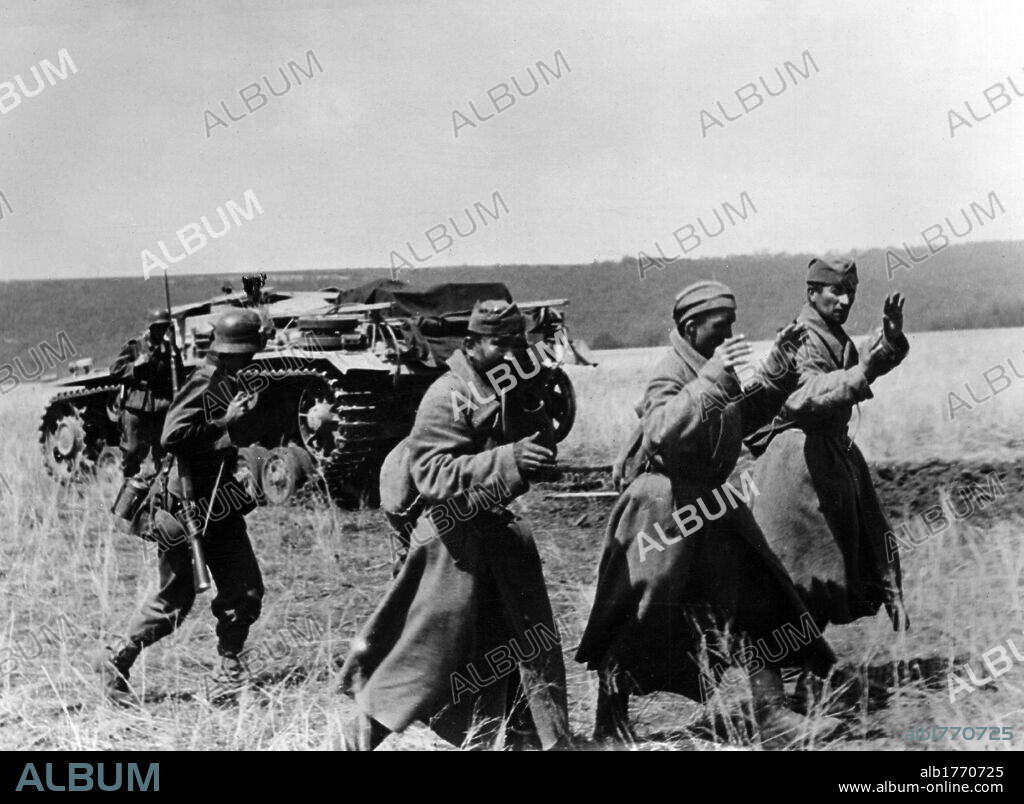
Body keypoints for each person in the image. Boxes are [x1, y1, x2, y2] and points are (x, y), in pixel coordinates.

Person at [575, 280, 838, 745]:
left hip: (712, 505)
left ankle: (770, 713)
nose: (729, 336)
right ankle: (609, 725)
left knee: (760, 598)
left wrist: (777, 371)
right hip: (664, 508)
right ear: (692, 327)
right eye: (720, 328)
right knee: (643, 614)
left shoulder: (711, 367)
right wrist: (711, 378)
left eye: (732, 326)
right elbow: (659, 431)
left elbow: (740, 418)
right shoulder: (674, 372)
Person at [336, 300, 571, 751]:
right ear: (471, 344)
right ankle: (356, 741)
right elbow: (432, 473)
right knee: (428, 655)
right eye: (499, 343)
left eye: (517, 344)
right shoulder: (448, 394)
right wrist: (508, 459)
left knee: (528, 644)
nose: (510, 352)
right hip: (451, 540)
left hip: (496, 537)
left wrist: (531, 399)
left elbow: (539, 446)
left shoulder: (507, 386)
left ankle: (532, 741)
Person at [95, 309, 266, 703]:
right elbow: (173, 436)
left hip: (218, 501)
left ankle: (229, 669)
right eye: (247, 352)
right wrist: (224, 421)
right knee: (174, 601)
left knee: (244, 588)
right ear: (228, 352)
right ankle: (117, 657)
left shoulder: (225, 380)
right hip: (186, 505)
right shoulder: (204, 381)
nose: (252, 358)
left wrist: (235, 422)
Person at [747, 258, 909, 654]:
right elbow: (808, 394)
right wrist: (861, 372)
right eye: (835, 290)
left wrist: (887, 345)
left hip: (831, 456)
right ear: (812, 293)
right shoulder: (802, 338)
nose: (845, 299)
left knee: (844, 559)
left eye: (850, 291)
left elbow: (859, 369)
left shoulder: (835, 336)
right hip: (797, 463)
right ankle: (793, 670)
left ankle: (804, 669)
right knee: (808, 569)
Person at [109, 308, 183, 479]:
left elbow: (179, 376)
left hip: (162, 407)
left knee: (164, 452)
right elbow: (114, 371)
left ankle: (160, 493)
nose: (161, 331)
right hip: (137, 406)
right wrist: (135, 366)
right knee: (132, 450)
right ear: (150, 328)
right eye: (157, 327)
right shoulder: (135, 347)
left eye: (164, 327)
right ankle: (128, 491)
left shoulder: (171, 350)